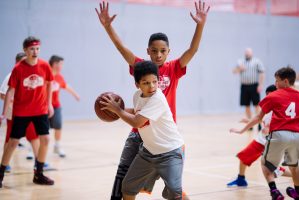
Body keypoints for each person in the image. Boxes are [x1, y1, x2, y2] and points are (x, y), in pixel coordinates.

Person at [95, 1, 210, 199]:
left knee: (172, 189)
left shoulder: (174, 68)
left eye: (163, 51)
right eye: (154, 51)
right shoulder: (142, 67)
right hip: (139, 131)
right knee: (123, 174)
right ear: (148, 51)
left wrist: (200, 25)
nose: (158, 55)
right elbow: (122, 49)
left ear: (168, 52)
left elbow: (192, 50)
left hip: (163, 135)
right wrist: (108, 27)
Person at [101, 61, 185, 200]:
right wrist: (113, 111)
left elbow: (137, 121)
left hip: (170, 152)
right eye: (146, 83)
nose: (152, 86)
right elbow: (136, 112)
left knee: (174, 193)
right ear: (137, 84)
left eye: (154, 81)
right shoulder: (137, 96)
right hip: (148, 153)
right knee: (127, 187)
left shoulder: (158, 98)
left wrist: (117, 110)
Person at [230, 66, 299, 200]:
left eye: (277, 80)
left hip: (279, 134)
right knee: (294, 165)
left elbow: (258, 117)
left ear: (285, 81)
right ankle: (297, 192)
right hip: (297, 135)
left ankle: (274, 192)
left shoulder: (274, 95)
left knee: (265, 165)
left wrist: (241, 130)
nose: (275, 84)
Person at [0, 36, 55, 188]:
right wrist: (4, 114)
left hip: (40, 110)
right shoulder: (18, 69)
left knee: (45, 140)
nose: (35, 51)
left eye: (37, 48)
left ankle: (39, 174)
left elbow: (49, 84)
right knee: (13, 143)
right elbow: (10, 91)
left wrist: (49, 103)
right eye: (32, 49)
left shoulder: (44, 65)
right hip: (22, 111)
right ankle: (1, 174)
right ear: (25, 50)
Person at [227, 85, 291, 188]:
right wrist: (248, 121)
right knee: (243, 157)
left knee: (273, 169)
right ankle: (241, 179)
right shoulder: (267, 108)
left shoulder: (280, 110)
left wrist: (270, 130)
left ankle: (295, 176)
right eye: (267, 95)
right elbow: (261, 119)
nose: (268, 97)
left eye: (270, 95)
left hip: (267, 143)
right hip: (260, 141)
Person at [49, 55, 80, 158]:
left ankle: (57, 146)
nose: (60, 66)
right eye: (58, 63)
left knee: (58, 125)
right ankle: (32, 149)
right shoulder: (45, 74)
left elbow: (66, 86)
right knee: (41, 129)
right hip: (43, 107)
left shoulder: (59, 77)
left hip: (56, 106)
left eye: (61, 64)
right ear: (52, 64)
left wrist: (75, 95)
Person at [233, 48, 265, 131]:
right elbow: (234, 71)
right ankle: (250, 123)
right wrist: (240, 69)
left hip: (254, 85)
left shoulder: (257, 62)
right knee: (246, 105)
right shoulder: (240, 61)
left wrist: (260, 85)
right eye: (246, 53)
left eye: (249, 53)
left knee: (256, 105)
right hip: (244, 86)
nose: (247, 54)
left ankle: (259, 123)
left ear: (252, 53)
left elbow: (262, 73)